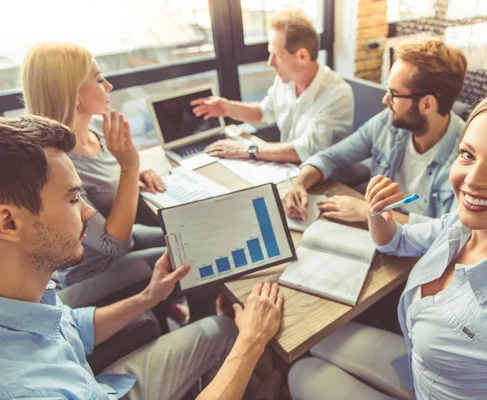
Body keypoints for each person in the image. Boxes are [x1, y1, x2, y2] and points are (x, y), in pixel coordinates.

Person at [288, 89, 487, 399]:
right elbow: (397, 240)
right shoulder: (460, 226)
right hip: (420, 367)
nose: (473, 180)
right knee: (313, 342)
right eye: (468, 154)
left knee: (303, 374)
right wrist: (378, 212)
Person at [0, 115, 284, 400]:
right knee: (244, 342)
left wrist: (150, 296)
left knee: (221, 329)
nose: (87, 212)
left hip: (100, 386)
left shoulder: (25, 288)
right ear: (8, 223)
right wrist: (252, 342)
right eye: (73, 199)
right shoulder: (26, 388)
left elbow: (73, 326)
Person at [19, 42, 195, 319]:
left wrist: (134, 175)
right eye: (100, 79)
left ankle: (167, 309)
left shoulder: (99, 127)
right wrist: (129, 167)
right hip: (93, 268)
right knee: (193, 258)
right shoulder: (58, 164)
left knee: (191, 238)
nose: (109, 86)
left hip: (122, 246)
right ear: (73, 93)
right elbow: (113, 244)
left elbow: (110, 181)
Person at [283, 40, 467, 224]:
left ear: (427, 104)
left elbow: (450, 233)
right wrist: (299, 183)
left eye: (394, 94)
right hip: (381, 233)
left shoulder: (468, 160)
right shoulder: (388, 123)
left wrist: (368, 212)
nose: (385, 100)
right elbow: (331, 157)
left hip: (418, 249)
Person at [192, 8, 354, 163]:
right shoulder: (285, 81)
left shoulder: (338, 94)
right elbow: (265, 112)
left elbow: (307, 149)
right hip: (288, 168)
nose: (270, 63)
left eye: (277, 55)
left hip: (327, 181)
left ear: (302, 56)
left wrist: (246, 150)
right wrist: (228, 108)